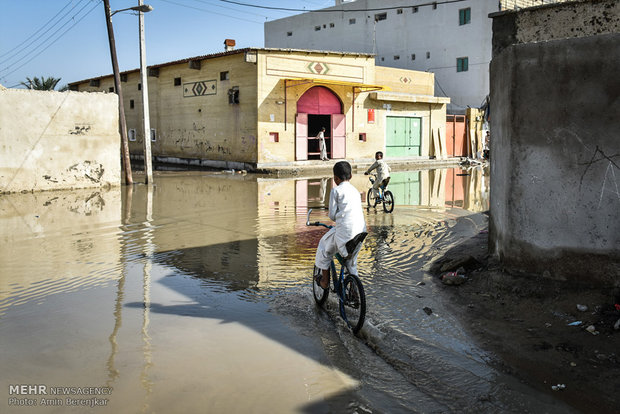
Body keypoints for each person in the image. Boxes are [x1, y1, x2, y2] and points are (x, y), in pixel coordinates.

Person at [315, 161, 366, 289]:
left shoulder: (336, 191)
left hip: (345, 232)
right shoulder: (355, 191)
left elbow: (332, 215)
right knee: (351, 263)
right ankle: (355, 292)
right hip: (360, 232)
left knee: (323, 247)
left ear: (335, 178)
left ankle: (325, 282)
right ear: (351, 176)